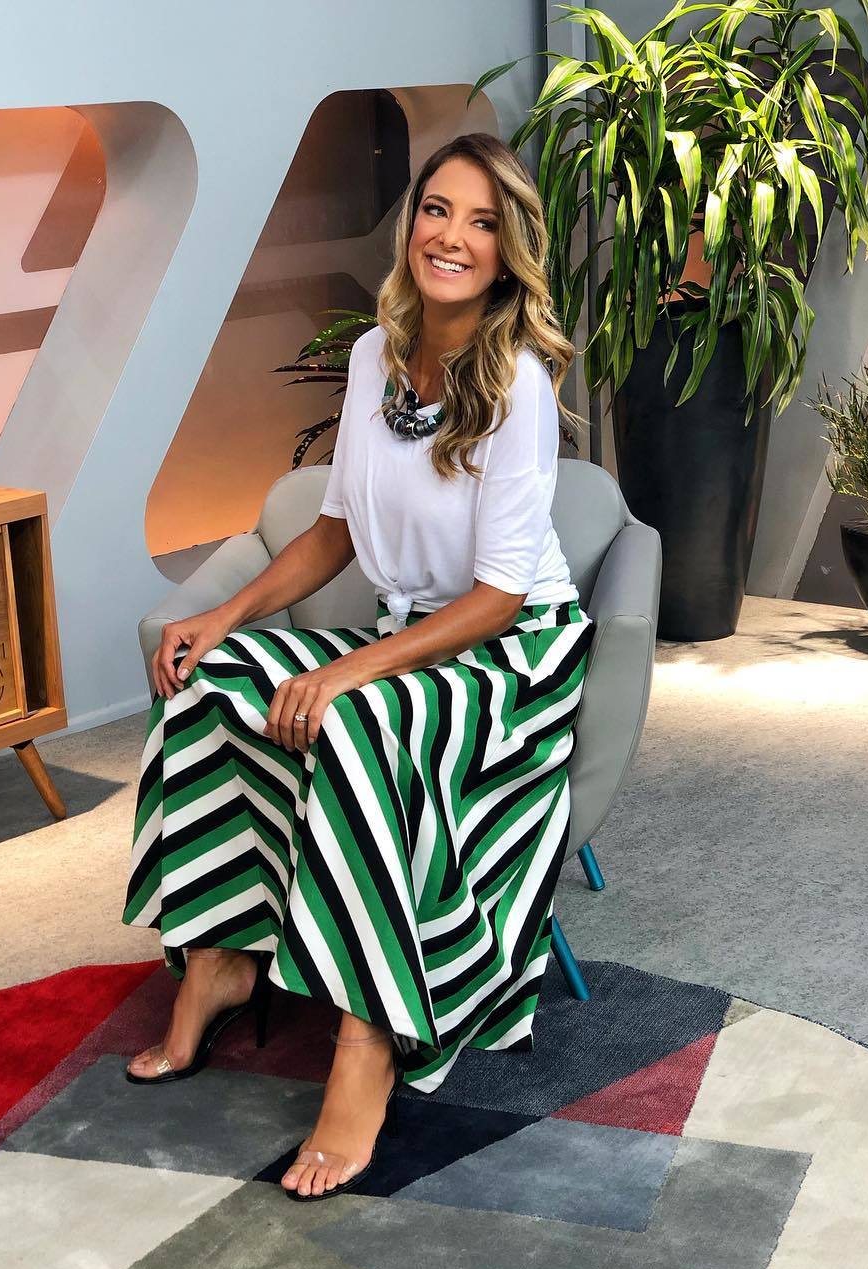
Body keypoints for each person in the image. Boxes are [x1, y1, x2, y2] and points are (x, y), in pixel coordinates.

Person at [122, 132, 595, 1202]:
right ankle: (218, 959)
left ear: (508, 251)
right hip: (413, 634)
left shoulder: (517, 382)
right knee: (216, 684)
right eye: (438, 209)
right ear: (412, 221)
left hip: (514, 652)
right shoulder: (378, 352)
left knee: (357, 723)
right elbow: (335, 527)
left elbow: (500, 597)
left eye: (483, 222)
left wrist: (348, 676)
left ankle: (367, 1045)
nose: (453, 236)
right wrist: (220, 615)